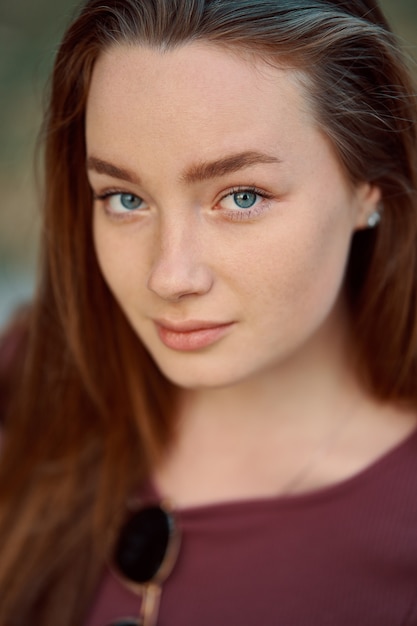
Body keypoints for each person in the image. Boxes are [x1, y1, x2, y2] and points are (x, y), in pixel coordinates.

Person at [1, 0, 417, 624]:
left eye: (241, 196)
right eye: (124, 197)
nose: (170, 275)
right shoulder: (34, 376)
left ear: (368, 188)